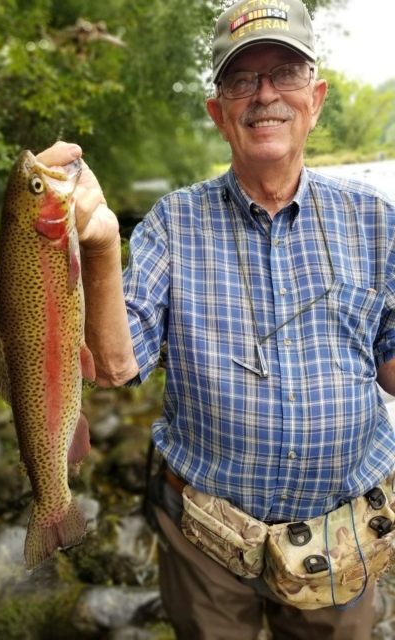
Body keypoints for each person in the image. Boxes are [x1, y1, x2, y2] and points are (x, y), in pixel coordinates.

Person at [37, 0, 395, 637]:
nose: (264, 97)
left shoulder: (377, 219)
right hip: (204, 536)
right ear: (218, 112)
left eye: (283, 74)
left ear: (316, 97)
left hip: (341, 540)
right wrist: (98, 246)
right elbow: (119, 368)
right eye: (240, 80)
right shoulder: (173, 221)